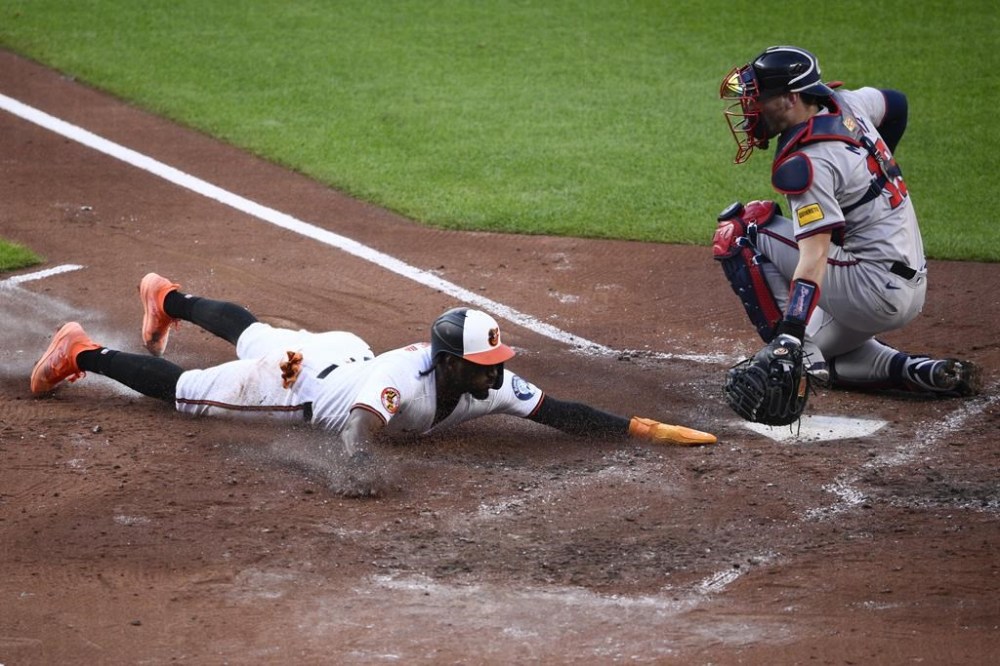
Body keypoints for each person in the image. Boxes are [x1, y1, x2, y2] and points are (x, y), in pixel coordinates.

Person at [31, 273, 717, 460]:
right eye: (483, 364)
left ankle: (168, 299)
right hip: (293, 388)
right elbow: (360, 430)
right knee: (188, 389)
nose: (496, 374)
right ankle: (80, 351)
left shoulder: (488, 383)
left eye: (495, 363)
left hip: (339, 352)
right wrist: (357, 472)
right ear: (449, 363)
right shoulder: (403, 380)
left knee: (256, 331)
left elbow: (560, 413)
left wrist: (640, 428)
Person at [714, 45, 980, 398]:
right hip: (911, 284)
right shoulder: (849, 104)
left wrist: (792, 331)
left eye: (759, 98)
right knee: (830, 351)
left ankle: (795, 357)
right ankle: (912, 369)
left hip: (870, 291)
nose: (752, 109)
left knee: (743, 229)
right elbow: (897, 104)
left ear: (791, 98)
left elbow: (814, 256)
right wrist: (873, 174)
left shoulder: (808, 162)